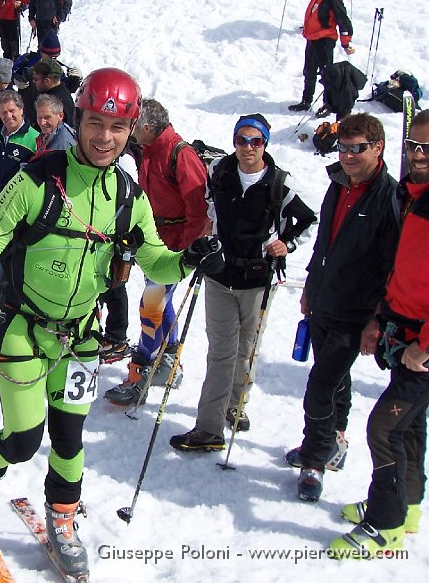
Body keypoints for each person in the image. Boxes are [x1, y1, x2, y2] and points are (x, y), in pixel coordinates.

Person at [0, 68, 223, 579]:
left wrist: (191, 258)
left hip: (80, 336)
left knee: (69, 436)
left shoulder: (128, 195)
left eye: (118, 127)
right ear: (79, 120)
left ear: (131, 132)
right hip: (21, 326)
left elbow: (157, 261)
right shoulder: (38, 178)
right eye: (97, 123)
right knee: (23, 438)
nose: (105, 137)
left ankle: (62, 522)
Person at [170, 114, 316, 451]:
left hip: (258, 278)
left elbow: (310, 218)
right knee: (221, 351)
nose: (248, 148)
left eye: (256, 141)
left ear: (265, 144)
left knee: (245, 349)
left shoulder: (280, 182)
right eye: (242, 140)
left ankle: (236, 404)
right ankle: (209, 428)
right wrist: (207, 232)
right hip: (220, 274)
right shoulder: (219, 171)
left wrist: (287, 243)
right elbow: (208, 206)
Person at [283, 113, 401, 501]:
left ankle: (314, 459)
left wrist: (377, 318)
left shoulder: (389, 197)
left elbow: (392, 265)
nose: (348, 155)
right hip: (324, 301)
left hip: (356, 311)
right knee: (336, 380)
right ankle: (334, 440)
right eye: (344, 148)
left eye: (357, 149)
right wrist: (310, 288)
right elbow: (324, 246)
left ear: (378, 148)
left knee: (320, 384)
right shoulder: (339, 183)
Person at [328, 110, 429, 557]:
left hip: (423, 345)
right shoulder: (414, 197)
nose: (418, 155)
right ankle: (405, 505)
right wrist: (382, 318)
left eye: (428, 148)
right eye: (414, 146)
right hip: (403, 330)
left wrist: (426, 346)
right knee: (407, 425)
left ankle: (384, 526)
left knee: (383, 429)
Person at [104, 99, 208, 405]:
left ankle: (143, 368)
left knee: (151, 303)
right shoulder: (150, 149)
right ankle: (168, 362)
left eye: (134, 124)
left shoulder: (179, 153)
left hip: (173, 244)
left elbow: (199, 209)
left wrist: (186, 249)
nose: (131, 130)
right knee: (160, 301)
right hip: (154, 238)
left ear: (147, 127)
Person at [288, 0, 354, 114]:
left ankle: (328, 105)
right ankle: (306, 101)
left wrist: (346, 42)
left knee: (327, 74)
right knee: (309, 71)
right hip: (313, 39)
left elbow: (342, 18)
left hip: (324, 40)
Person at [0, 90, 39, 212]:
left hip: (16, 209)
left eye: (12, 111)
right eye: (4, 112)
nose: (8, 116)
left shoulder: (35, 139)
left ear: (21, 110)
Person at [25, 56, 75, 130]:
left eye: (35, 79)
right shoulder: (56, 91)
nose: (33, 81)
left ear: (47, 81)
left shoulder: (55, 101)